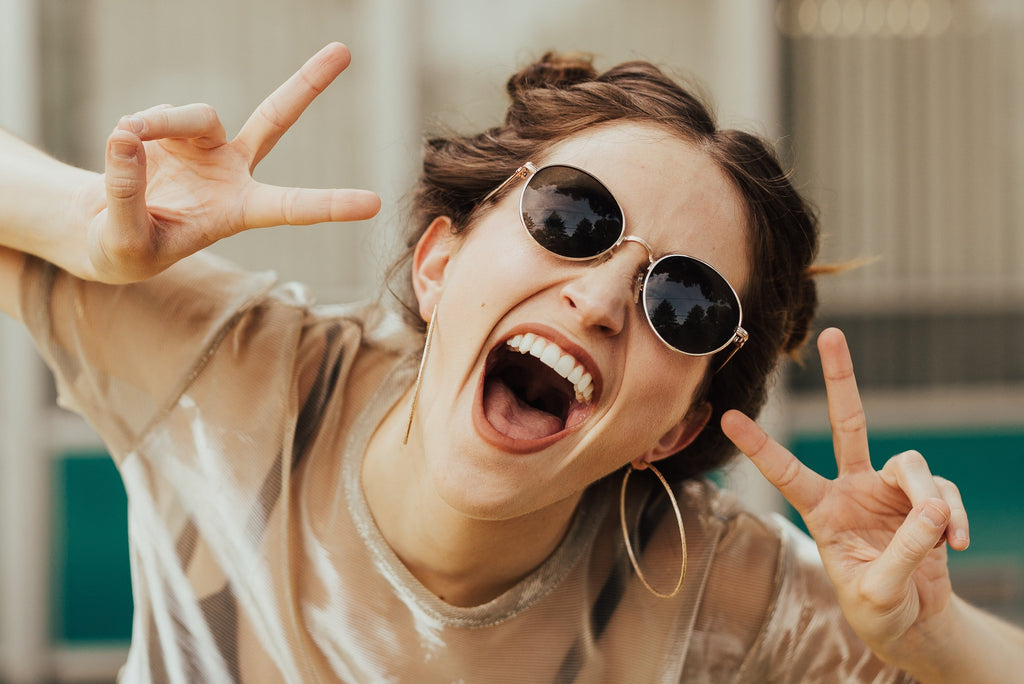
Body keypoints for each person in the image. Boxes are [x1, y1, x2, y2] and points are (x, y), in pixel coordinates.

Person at [0, 42, 1021, 683]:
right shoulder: (240, 374)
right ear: (440, 263)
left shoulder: (712, 593)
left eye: (683, 302)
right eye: (573, 219)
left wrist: (930, 638)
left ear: (674, 430)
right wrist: (83, 223)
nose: (602, 298)